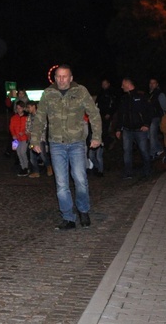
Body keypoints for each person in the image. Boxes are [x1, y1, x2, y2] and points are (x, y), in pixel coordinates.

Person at [30, 65, 101, 230]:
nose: (61, 79)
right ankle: (68, 217)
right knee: (61, 183)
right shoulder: (48, 94)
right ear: (55, 78)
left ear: (70, 77)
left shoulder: (81, 91)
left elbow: (94, 114)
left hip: (76, 142)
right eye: (58, 76)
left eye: (65, 76)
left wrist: (96, 136)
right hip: (56, 144)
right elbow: (40, 117)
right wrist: (34, 140)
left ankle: (83, 210)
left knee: (80, 180)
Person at [114, 77, 153, 181]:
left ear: (127, 84)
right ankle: (128, 172)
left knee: (144, 150)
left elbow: (149, 111)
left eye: (123, 84)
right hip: (127, 130)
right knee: (127, 151)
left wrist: (146, 124)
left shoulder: (141, 95)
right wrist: (118, 129)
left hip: (140, 129)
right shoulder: (124, 98)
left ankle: (147, 170)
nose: (121, 87)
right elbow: (121, 115)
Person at [26, 100, 52, 178]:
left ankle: (49, 167)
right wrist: (28, 133)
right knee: (32, 156)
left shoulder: (41, 115)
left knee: (43, 155)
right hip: (31, 140)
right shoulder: (29, 117)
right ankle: (36, 172)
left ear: (34, 106)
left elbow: (44, 127)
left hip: (40, 139)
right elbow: (27, 127)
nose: (28, 109)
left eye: (29, 107)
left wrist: (35, 133)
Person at [147, 78, 166, 159]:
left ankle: (152, 153)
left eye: (154, 83)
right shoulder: (148, 94)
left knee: (152, 135)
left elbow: (164, 107)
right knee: (149, 135)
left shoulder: (160, 94)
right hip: (149, 117)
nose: (152, 84)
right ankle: (159, 148)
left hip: (156, 117)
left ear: (157, 84)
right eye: (150, 83)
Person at [96, 78, 118, 149]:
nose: (103, 85)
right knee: (102, 130)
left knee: (107, 130)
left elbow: (113, 104)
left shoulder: (111, 93)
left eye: (105, 84)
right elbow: (97, 102)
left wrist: (109, 113)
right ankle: (105, 144)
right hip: (101, 114)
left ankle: (109, 143)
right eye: (102, 84)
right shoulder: (101, 93)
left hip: (108, 115)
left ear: (108, 84)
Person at [9, 100, 30, 176]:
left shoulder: (27, 117)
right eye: (17, 108)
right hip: (16, 139)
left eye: (20, 108)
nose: (19, 110)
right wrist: (13, 134)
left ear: (23, 108)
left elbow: (28, 127)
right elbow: (11, 127)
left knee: (23, 152)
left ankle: (26, 167)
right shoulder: (14, 117)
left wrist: (23, 132)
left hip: (24, 138)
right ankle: (22, 167)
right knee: (18, 153)